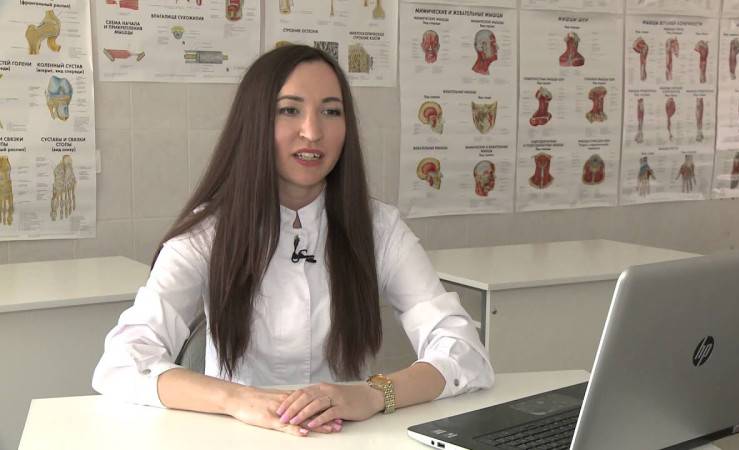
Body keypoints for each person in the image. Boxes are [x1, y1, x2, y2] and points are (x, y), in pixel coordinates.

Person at [92, 44, 494, 437]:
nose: (313, 132)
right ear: (255, 122)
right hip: (237, 435)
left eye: (331, 111)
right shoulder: (208, 232)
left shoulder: (379, 227)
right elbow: (123, 361)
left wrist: (373, 394)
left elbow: (464, 352)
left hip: (346, 435)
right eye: (289, 110)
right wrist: (237, 399)